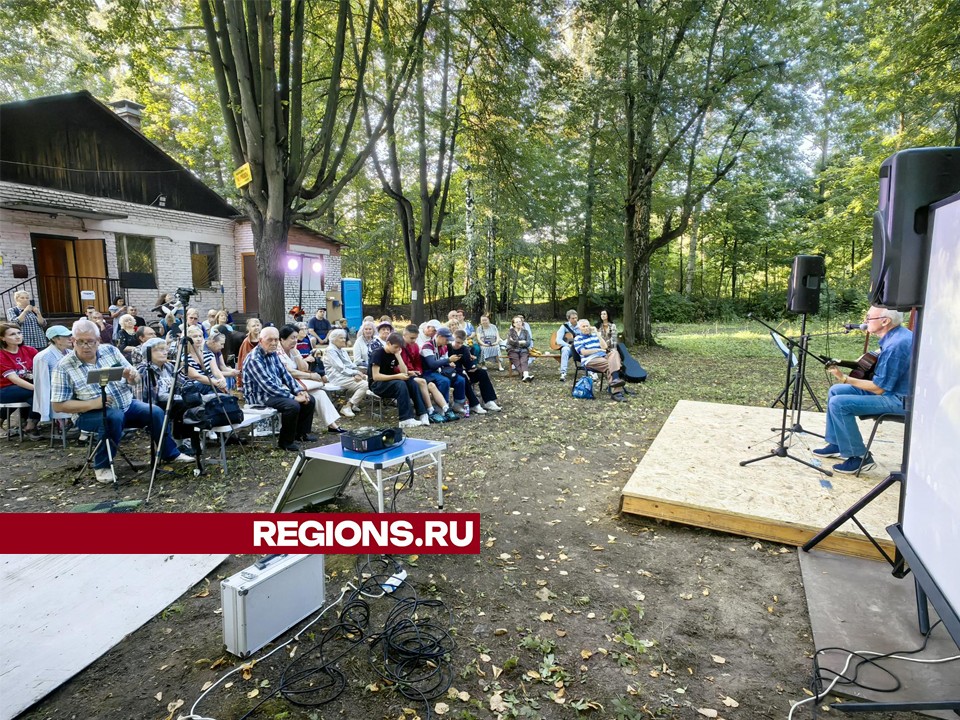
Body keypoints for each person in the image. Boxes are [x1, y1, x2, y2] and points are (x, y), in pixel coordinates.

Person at [51, 319, 191, 483]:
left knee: (156, 412)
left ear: (98, 341)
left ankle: (170, 453)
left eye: (90, 341)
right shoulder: (64, 366)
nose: (85, 346)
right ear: (73, 341)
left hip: (126, 404)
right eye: (80, 341)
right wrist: (93, 403)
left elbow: (136, 380)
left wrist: (132, 377)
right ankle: (102, 465)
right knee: (113, 417)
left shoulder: (110, 351)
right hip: (88, 414)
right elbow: (58, 405)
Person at [813, 307, 914, 474]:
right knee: (836, 391)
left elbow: (878, 388)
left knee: (839, 403)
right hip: (892, 391)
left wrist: (844, 377)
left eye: (869, 317)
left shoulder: (896, 345)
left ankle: (859, 457)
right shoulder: (897, 335)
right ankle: (838, 443)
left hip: (900, 400)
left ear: (885, 321)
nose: (865, 321)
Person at [242, 326, 317, 451]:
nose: (273, 343)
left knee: (310, 399)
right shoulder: (254, 359)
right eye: (269, 340)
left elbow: (286, 375)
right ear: (261, 340)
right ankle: (285, 442)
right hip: (259, 397)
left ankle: (301, 434)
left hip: (273, 393)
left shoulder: (273, 354)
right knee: (292, 405)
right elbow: (268, 386)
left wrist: (299, 391)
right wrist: (294, 397)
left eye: (276, 340)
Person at [277, 325, 344, 434]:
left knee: (320, 393)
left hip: (299, 383)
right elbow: (289, 372)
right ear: (282, 339)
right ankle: (299, 431)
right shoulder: (277, 352)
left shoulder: (294, 350)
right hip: (285, 385)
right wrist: (311, 376)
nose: (295, 341)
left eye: (296, 337)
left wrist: (296, 354)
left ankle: (332, 425)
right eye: (292, 338)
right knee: (309, 396)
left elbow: (304, 368)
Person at [136, 337, 196, 456]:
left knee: (193, 401)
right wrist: (181, 397)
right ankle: (178, 444)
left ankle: (184, 442)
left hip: (172, 401)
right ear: (148, 353)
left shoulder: (168, 366)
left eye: (165, 349)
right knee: (183, 404)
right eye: (159, 350)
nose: (165, 352)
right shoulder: (144, 370)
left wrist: (192, 390)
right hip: (153, 405)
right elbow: (151, 397)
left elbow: (183, 382)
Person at [367, 331, 422, 428]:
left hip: (389, 382)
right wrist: (397, 376)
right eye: (396, 347)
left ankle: (422, 413)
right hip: (377, 385)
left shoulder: (395, 353)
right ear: (388, 343)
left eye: (399, 348)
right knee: (400, 384)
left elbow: (404, 372)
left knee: (411, 381)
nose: (397, 350)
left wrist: (398, 356)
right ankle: (405, 419)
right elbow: (376, 376)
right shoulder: (378, 353)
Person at [401, 324, 452, 424]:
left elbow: (417, 362)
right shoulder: (398, 346)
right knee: (424, 382)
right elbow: (396, 365)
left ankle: (445, 408)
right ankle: (428, 411)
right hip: (404, 375)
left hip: (416, 374)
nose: (414, 341)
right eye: (411, 338)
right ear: (404, 335)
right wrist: (409, 372)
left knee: (432, 385)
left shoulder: (415, 346)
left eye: (415, 338)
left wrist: (418, 371)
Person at [0, 322, 42, 438]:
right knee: (37, 393)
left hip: (26, 387)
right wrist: (38, 388)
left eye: (19, 333)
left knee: (33, 396)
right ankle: (29, 425)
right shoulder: (2, 355)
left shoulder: (30, 350)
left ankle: (29, 425)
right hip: (5, 389)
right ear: (3, 338)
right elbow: (14, 379)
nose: (18, 336)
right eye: (12, 334)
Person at [32, 325, 75, 427]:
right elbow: (42, 384)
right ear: (55, 339)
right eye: (65, 336)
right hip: (57, 395)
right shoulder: (43, 356)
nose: (70, 338)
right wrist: (44, 414)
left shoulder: (71, 352)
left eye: (70, 335)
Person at [573, 318, 626, 401]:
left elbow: (605, 347)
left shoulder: (594, 336)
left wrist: (597, 334)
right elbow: (583, 352)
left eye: (587, 326)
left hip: (603, 356)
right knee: (612, 365)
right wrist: (597, 350)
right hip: (590, 359)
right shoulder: (578, 339)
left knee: (614, 352)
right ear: (579, 328)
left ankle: (615, 381)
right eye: (583, 326)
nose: (586, 328)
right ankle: (617, 392)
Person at [451, 329, 502, 412]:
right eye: (457, 342)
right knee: (463, 377)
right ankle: (474, 404)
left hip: (463, 370)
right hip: (453, 372)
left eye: (461, 343)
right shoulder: (448, 347)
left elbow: (468, 363)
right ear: (453, 338)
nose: (459, 345)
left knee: (482, 373)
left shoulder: (464, 349)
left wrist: (472, 367)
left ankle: (488, 401)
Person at [323, 329, 369, 418]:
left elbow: (350, 365)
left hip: (345, 375)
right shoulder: (330, 350)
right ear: (333, 339)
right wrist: (355, 373)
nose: (344, 340)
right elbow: (340, 368)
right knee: (365, 385)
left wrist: (358, 372)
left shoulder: (342, 350)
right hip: (336, 377)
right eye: (341, 338)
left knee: (365, 378)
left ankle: (354, 404)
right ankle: (347, 406)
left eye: (344, 338)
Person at [421, 327, 467, 418]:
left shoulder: (444, 346)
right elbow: (432, 364)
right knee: (444, 381)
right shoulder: (427, 346)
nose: (448, 342)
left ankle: (458, 404)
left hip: (440, 371)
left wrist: (450, 363)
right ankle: (442, 405)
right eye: (447, 339)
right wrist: (448, 360)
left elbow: (443, 361)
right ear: (440, 337)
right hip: (428, 372)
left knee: (460, 380)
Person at [183, 325, 228, 393]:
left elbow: (216, 371)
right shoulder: (184, 357)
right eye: (195, 336)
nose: (198, 339)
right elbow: (196, 376)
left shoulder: (209, 354)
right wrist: (217, 383)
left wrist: (222, 379)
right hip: (194, 387)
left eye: (200, 336)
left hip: (212, 384)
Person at [235, 317, 262, 389]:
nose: (256, 327)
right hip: (251, 372)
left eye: (258, 325)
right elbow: (242, 360)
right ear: (249, 328)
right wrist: (240, 381)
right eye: (253, 326)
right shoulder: (246, 342)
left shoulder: (263, 339)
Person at [506, 315, 534, 382]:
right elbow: (510, 342)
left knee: (524, 360)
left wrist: (516, 342)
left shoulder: (525, 332)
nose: (519, 323)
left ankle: (525, 376)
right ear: (513, 324)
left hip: (523, 350)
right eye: (517, 322)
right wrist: (521, 342)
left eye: (520, 321)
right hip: (512, 350)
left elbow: (528, 343)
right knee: (517, 362)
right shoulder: (511, 331)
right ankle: (525, 376)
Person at [556, 309, 580, 381]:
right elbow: (558, 340)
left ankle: (591, 373)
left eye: (576, 318)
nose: (575, 319)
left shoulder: (581, 325)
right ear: (568, 318)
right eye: (573, 318)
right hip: (569, 347)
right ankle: (563, 373)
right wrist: (568, 345)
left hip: (579, 347)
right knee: (565, 349)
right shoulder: (564, 326)